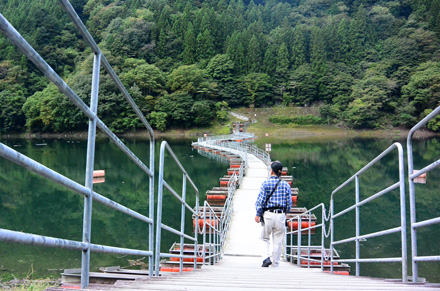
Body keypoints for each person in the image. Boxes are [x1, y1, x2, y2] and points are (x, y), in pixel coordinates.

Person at [255, 160, 292, 267]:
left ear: (271, 171)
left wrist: (258, 213)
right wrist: (285, 212)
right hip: (281, 215)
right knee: (278, 241)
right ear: (281, 172)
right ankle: (275, 264)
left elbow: (260, 201)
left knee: (264, 238)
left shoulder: (266, 183)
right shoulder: (286, 185)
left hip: (268, 214)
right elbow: (289, 203)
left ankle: (266, 258)